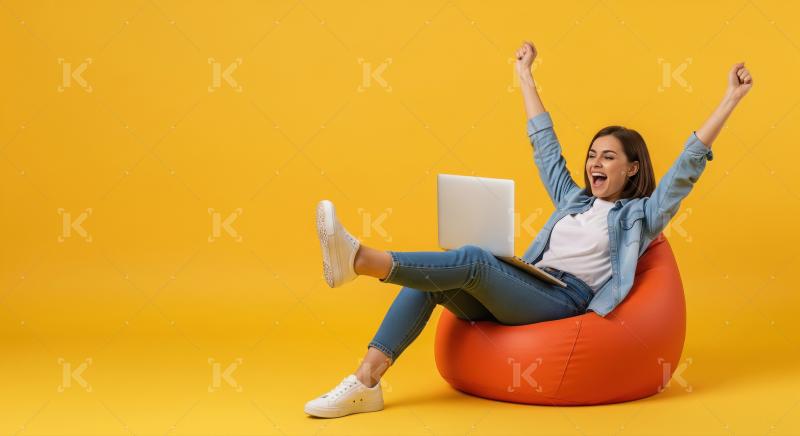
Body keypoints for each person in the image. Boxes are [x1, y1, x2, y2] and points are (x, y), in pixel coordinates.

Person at [304, 40, 752, 418]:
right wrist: (523, 76)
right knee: (431, 277)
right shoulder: (574, 200)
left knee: (475, 259)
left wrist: (730, 98)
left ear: (633, 169)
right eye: (593, 154)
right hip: (530, 282)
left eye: (609, 157)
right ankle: (366, 382)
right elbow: (545, 146)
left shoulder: (640, 216)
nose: (595, 163)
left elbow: (686, 168)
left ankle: (361, 260)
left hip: (566, 298)